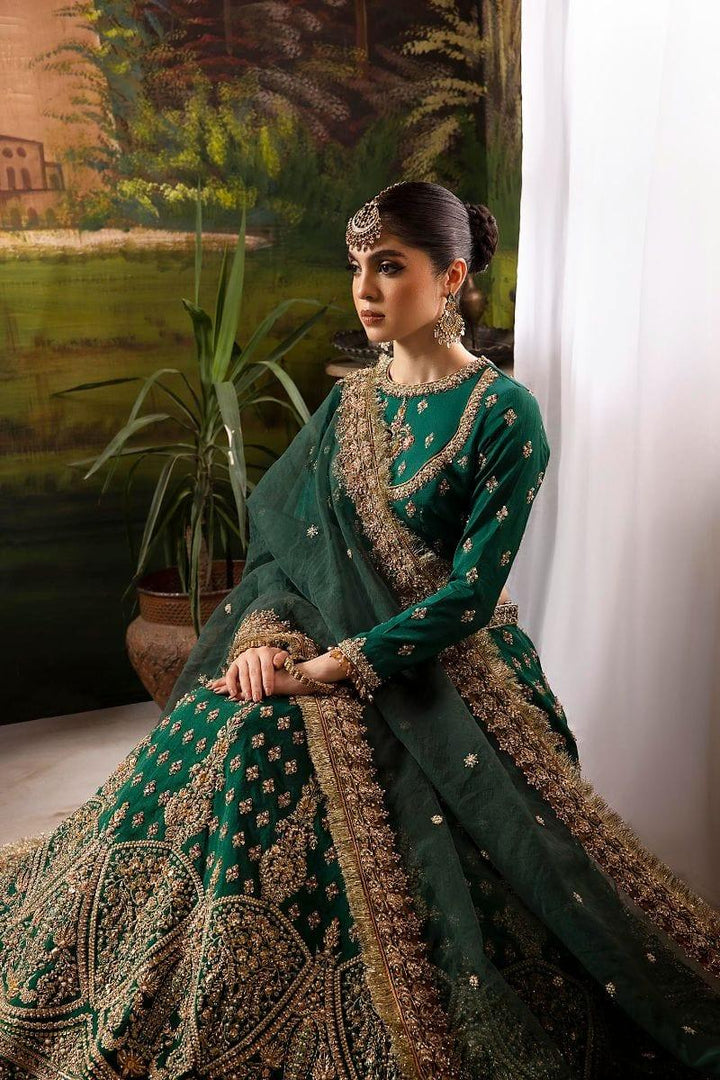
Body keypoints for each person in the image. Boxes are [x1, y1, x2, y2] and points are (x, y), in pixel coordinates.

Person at [0, 181, 718, 1080]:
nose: (365, 290)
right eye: (357, 268)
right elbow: (285, 553)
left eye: (389, 266)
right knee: (229, 725)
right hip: (309, 645)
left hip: (451, 670)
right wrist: (265, 640)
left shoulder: (506, 414)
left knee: (284, 749)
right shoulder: (349, 405)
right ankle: (160, 975)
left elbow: (469, 595)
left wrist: (332, 667)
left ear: (450, 277)